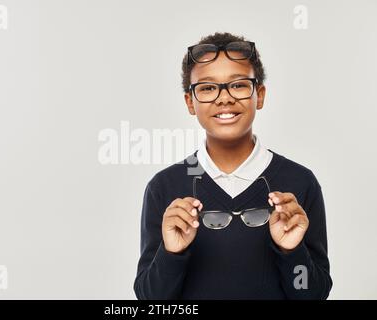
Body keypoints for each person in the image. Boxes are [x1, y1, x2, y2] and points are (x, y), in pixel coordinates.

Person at [133, 32, 332, 299]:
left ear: (259, 95)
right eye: (207, 88)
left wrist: (291, 251)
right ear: (190, 102)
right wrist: (172, 253)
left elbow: (313, 295)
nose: (224, 98)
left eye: (238, 85)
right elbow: (151, 299)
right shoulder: (164, 187)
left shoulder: (299, 182)